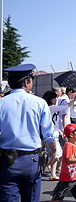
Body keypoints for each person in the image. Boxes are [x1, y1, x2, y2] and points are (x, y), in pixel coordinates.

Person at [0, 64, 56, 202]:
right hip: (31, 159)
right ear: (26, 82)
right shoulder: (39, 103)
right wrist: (54, 150)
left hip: (7, 159)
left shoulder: (1, 103)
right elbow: (48, 132)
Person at [42, 90, 76, 181]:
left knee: (55, 154)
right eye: (54, 98)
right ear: (50, 99)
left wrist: (60, 130)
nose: (55, 99)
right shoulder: (49, 108)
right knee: (57, 154)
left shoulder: (49, 108)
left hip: (53, 133)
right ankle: (43, 166)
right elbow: (64, 107)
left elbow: (55, 122)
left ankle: (52, 174)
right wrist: (74, 100)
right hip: (50, 135)